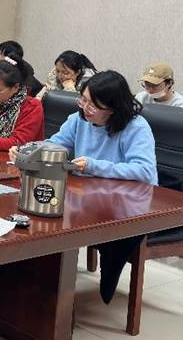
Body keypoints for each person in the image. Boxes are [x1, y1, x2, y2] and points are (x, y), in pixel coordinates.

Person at [10, 70, 157, 304]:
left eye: (93, 105)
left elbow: (144, 171)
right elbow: (56, 145)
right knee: (41, 216)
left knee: (92, 231)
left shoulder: (136, 127)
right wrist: (29, 150)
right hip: (88, 194)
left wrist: (93, 165)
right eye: (83, 100)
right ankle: (37, 287)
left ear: (113, 107)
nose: (85, 108)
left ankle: (81, 285)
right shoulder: (78, 119)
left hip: (126, 203)